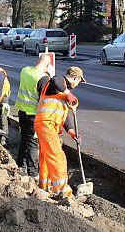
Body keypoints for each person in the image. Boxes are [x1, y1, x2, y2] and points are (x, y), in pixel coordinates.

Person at [34, 66, 86, 199]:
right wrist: (68, 93)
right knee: (58, 157)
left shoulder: (61, 93)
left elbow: (65, 117)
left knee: (46, 157)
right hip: (46, 124)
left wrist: (72, 133)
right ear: (75, 77)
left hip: (47, 125)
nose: (77, 85)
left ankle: (44, 186)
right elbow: (55, 80)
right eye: (79, 81)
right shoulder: (58, 82)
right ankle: (63, 192)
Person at [15, 54, 52, 178]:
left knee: (24, 137)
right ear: (47, 65)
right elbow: (46, 97)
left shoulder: (24, 70)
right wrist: (49, 75)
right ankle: (32, 172)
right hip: (33, 114)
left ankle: (19, 163)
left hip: (21, 110)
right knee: (33, 142)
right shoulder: (43, 78)